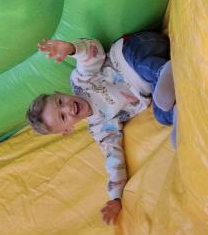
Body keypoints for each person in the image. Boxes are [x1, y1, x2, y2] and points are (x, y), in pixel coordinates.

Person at [26, 31, 176, 224]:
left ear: (59, 93)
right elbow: (114, 158)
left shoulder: (81, 82)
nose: (68, 108)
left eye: (60, 101)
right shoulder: (100, 127)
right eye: (63, 117)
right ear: (67, 130)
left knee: (139, 61)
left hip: (137, 49)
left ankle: (164, 72)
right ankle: (176, 111)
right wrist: (116, 197)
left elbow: (92, 54)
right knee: (161, 115)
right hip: (152, 86)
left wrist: (71, 49)